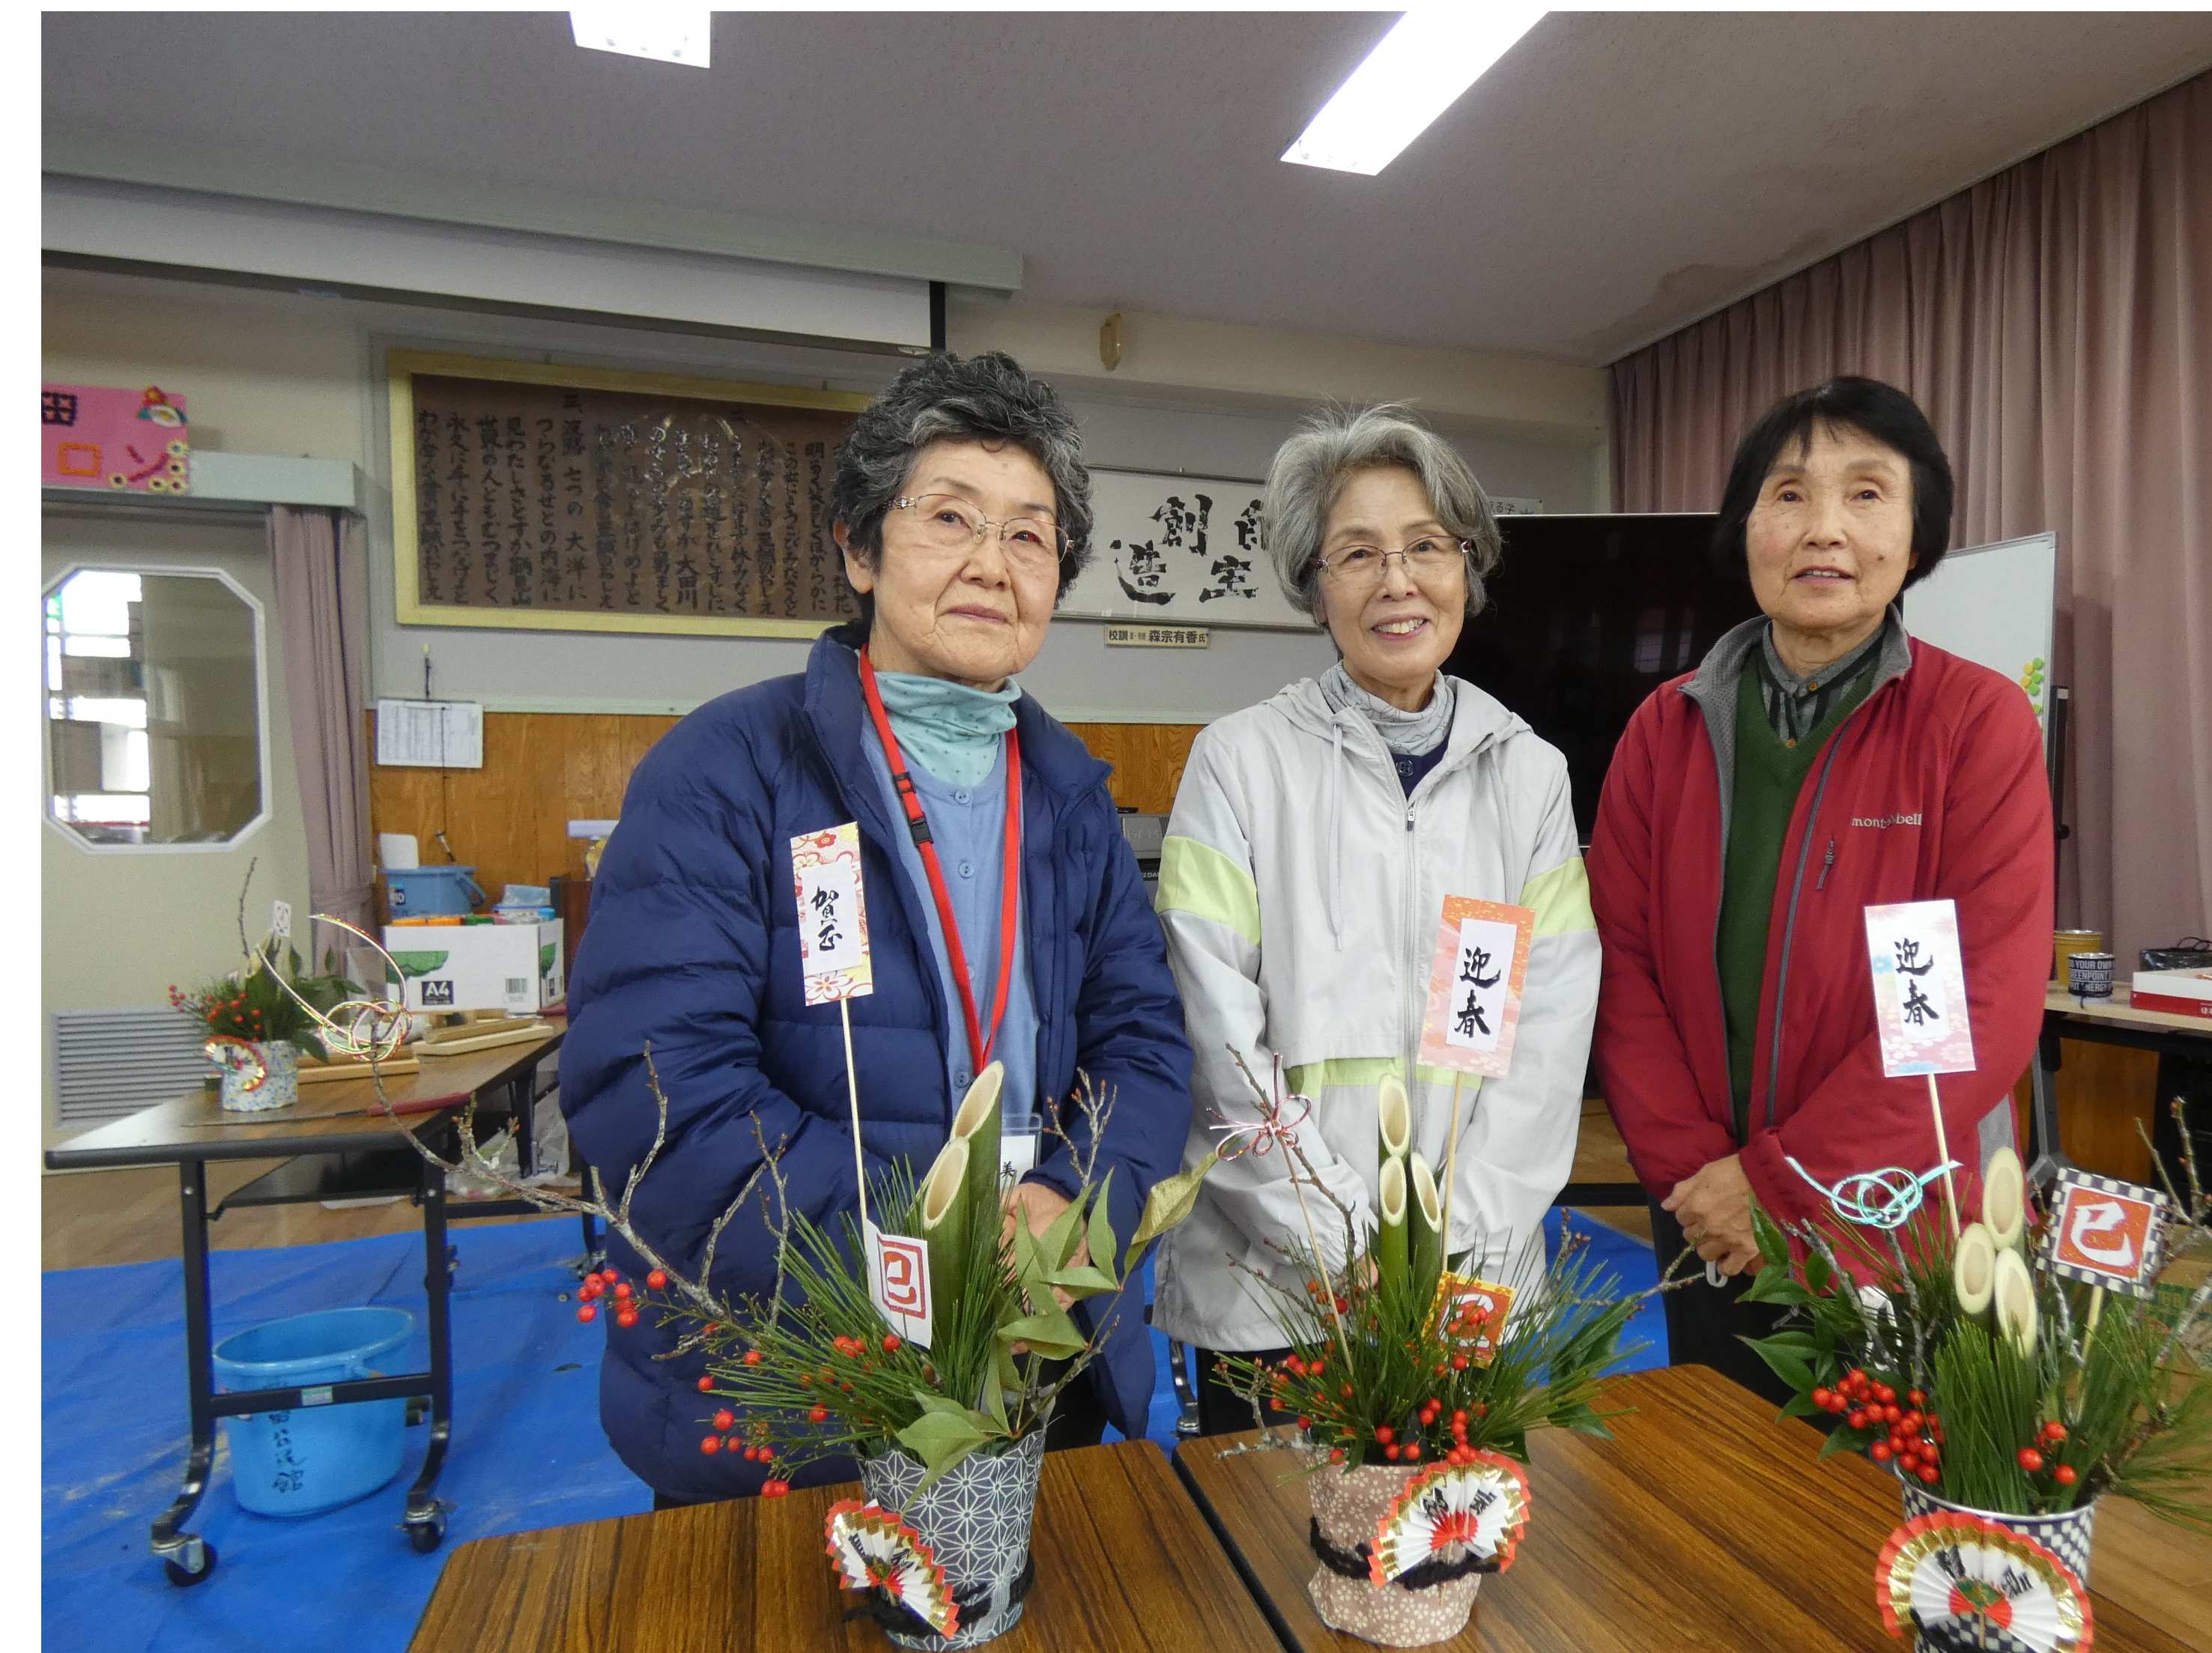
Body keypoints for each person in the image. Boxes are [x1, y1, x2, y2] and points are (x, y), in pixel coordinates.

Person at [564, 351, 1193, 1505]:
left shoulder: (1070, 799)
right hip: (802, 1388)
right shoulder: (724, 771)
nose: (991, 563)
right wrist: (925, 1257)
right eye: (949, 518)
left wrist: (1066, 1208)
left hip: (1037, 1364)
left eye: (1029, 535)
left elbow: (1144, 1046)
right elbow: (653, 1092)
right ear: (859, 550)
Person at [1587, 375, 2052, 1404]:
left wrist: (1779, 1186)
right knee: (1724, 1479)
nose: (1824, 528)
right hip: (1708, 1216)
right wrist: (1702, 1184)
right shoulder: (1664, 731)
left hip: (1906, 1214)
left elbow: (1975, 1007)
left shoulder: (1975, 726)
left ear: (1918, 538)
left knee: (1903, 1493)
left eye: (1867, 494)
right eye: (1790, 493)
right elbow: (1621, 972)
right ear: (1746, 527)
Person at [1153, 404, 1600, 1434]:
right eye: (1357, 554)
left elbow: (1550, 1031)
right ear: (1315, 586)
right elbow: (1212, 1026)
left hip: (1468, 1285)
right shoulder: (1239, 761)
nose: (1398, 582)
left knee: (1455, 1528)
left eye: (1427, 547)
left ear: (1466, 568)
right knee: (1269, 1535)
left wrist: (1451, 1242)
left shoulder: (1530, 775)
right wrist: (1347, 1244)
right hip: (1276, 1286)